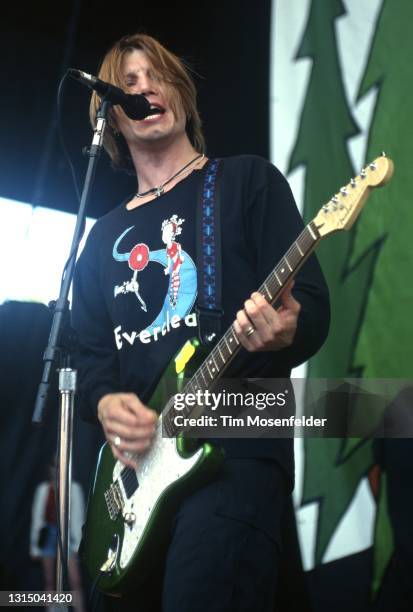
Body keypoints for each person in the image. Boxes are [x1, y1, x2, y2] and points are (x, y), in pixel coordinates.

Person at [71, 33, 330, 612]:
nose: (145, 90)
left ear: (182, 94)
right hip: (135, 487)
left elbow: (311, 307)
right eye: (129, 85)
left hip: (235, 454)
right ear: (112, 119)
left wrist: (287, 329)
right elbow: (91, 363)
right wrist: (105, 403)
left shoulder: (246, 183)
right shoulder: (101, 241)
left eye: (156, 76)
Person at [30, 460, 86, 612]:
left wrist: (77, 545)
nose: (57, 469)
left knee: (75, 581)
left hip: (67, 536)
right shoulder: (44, 489)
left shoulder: (74, 488)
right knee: (49, 581)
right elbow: (37, 519)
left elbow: (78, 518)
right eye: (54, 466)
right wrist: (35, 548)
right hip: (49, 534)